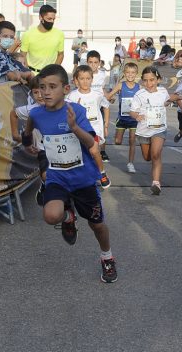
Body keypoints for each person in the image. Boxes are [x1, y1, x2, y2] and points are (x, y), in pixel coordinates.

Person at [21, 64, 118, 283]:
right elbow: (28, 127)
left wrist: (74, 127)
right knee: (50, 215)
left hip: (83, 179)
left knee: (97, 225)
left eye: (52, 87)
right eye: (42, 87)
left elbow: (90, 143)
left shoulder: (77, 111)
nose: (46, 92)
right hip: (57, 176)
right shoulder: (36, 113)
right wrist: (28, 143)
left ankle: (107, 256)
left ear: (66, 89)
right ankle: (68, 216)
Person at [129, 66, 182, 194]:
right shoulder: (139, 94)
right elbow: (132, 111)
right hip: (144, 130)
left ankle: (156, 183)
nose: (149, 83)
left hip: (159, 129)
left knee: (156, 154)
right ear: (142, 81)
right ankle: (154, 168)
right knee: (147, 157)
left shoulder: (163, 91)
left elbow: (165, 102)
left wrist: (179, 98)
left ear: (158, 80)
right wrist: (137, 116)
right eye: (146, 80)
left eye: (152, 80)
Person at [66, 65, 111, 189]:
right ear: (76, 80)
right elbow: (66, 112)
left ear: (92, 79)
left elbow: (106, 106)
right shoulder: (71, 97)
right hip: (79, 130)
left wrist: (106, 124)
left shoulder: (97, 95)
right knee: (83, 155)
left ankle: (102, 173)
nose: (85, 81)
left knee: (94, 151)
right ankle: (84, 176)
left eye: (88, 78)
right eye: (82, 78)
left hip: (94, 129)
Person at [10, 75, 48, 205]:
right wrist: (15, 134)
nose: (39, 95)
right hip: (43, 149)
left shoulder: (60, 106)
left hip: (61, 150)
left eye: (42, 90)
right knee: (46, 175)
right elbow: (13, 113)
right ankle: (45, 184)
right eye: (35, 92)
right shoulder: (31, 109)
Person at [106, 62, 140, 173]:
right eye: (128, 72)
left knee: (132, 141)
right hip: (122, 119)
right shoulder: (121, 85)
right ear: (124, 73)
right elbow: (109, 95)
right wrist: (110, 98)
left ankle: (130, 163)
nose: (130, 75)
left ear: (136, 74)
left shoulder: (139, 87)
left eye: (133, 73)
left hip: (134, 119)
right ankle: (118, 138)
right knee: (117, 141)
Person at [20, 4, 64, 73]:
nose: (52, 21)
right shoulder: (27, 34)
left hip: (50, 74)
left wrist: (53, 71)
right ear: (41, 17)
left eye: (53, 19)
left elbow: (60, 54)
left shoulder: (59, 34)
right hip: (32, 74)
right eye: (49, 19)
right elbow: (22, 56)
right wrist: (28, 73)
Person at [87, 50, 109, 162]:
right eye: (90, 62)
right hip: (88, 104)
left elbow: (103, 89)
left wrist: (108, 96)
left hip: (100, 105)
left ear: (99, 62)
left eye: (96, 62)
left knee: (102, 127)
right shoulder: (84, 73)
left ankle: (102, 150)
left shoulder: (102, 75)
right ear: (87, 62)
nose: (93, 65)